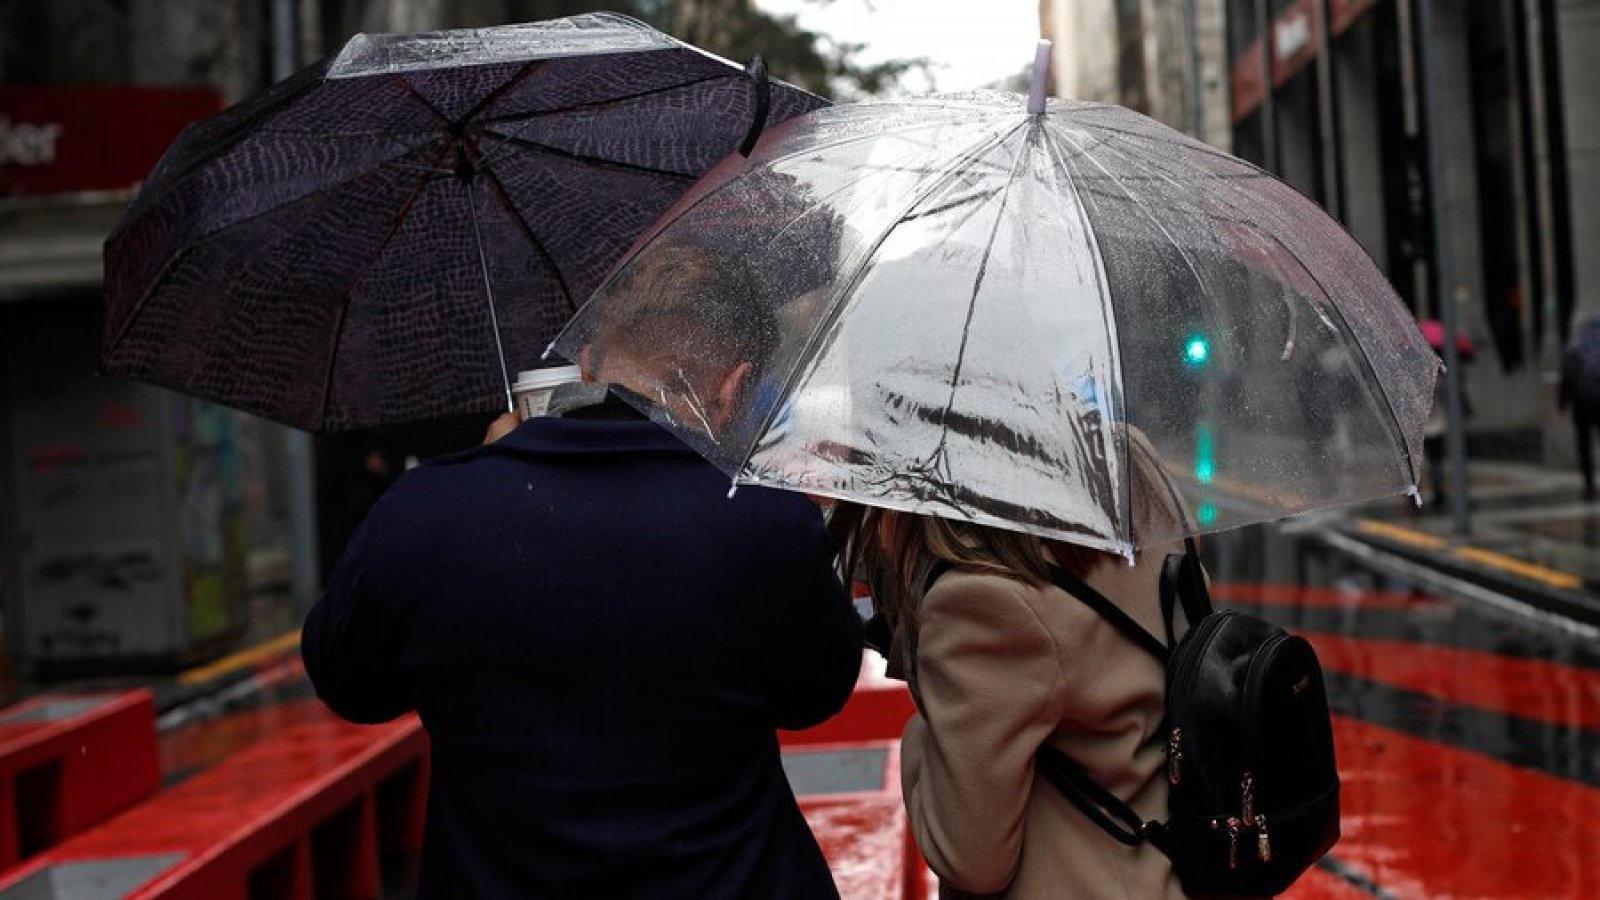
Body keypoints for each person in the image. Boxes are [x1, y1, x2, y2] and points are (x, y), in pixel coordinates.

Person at [302, 244, 864, 899]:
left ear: (589, 364)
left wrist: (482, 478)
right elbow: (814, 697)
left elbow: (349, 683)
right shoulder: (764, 521)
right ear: (734, 388)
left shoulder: (424, 512)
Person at [831, 432, 1194, 899]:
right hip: (1177, 864)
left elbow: (968, 859)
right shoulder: (1126, 457)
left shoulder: (980, 597)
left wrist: (925, 728)